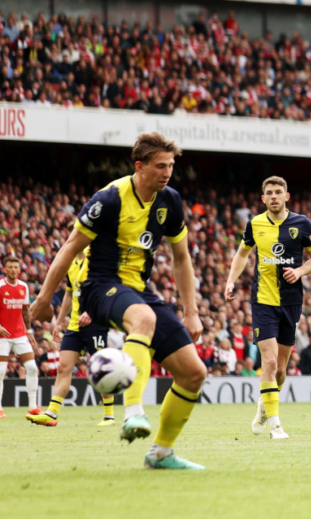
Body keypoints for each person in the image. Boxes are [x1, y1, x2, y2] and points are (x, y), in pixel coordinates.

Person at [29, 132, 206, 470]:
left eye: (170, 165)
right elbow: (71, 246)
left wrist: (192, 311)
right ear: (139, 166)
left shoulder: (171, 200)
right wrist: (43, 297)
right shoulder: (109, 198)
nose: (167, 172)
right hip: (99, 287)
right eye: (159, 166)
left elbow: (182, 259)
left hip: (140, 290)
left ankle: (161, 454)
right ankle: (134, 412)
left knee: (194, 373)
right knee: (143, 318)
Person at [225, 175, 311, 440]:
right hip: (263, 300)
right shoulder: (254, 224)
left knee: (280, 370)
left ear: (286, 196)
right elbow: (242, 253)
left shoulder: (302, 224)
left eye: (279, 192)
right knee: (267, 362)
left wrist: (300, 271)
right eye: (270, 192)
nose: (275, 196)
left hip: (291, 302)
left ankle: (263, 406)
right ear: (263, 198)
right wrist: (231, 281)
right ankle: (276, 426)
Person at [27, 250, 116, 427]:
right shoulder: (72, 262)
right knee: (63, 367)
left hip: (96, 324)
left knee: (100, 369)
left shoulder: (97, 260)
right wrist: (59, 322)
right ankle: (52, 414)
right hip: (74, 326)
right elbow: (69, 294)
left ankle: (109, 416)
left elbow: (108, 291)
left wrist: (91, 312)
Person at [0, 255, 40, 417]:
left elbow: (25, 311)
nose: (14, 270)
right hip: (2, 335)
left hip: (19, 334)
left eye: (16, 267)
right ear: (4, 269)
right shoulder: (0, 286)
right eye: (10, 267)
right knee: (1, 371)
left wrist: (29, 331)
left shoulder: (23, 286)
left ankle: (33, 406)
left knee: (31, 367)